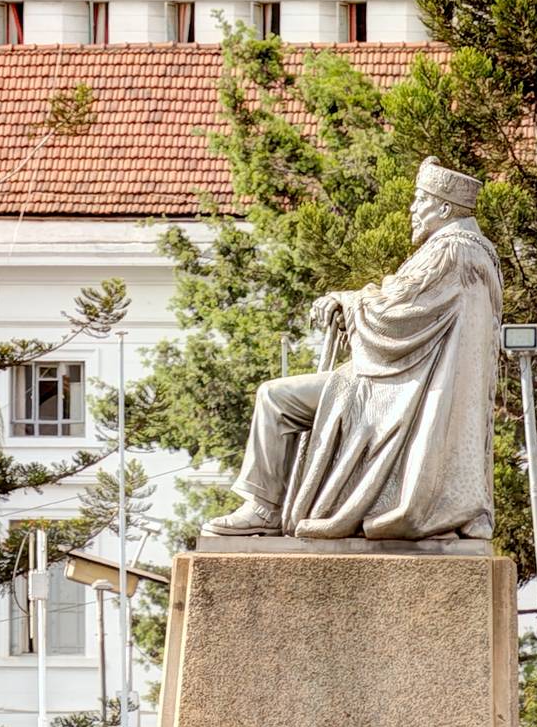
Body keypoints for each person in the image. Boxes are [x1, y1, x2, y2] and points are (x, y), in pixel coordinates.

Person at [205, 156, 503, 545]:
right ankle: (267, 506)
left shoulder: (450, 251)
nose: (412, 210)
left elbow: (398, 314)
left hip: (397, 390)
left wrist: (346, 302)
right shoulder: (477, 253)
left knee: (274, 398)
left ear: (444, 207)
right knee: (283, 398)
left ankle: (263, 508)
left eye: (420, 200)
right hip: (410, 384)